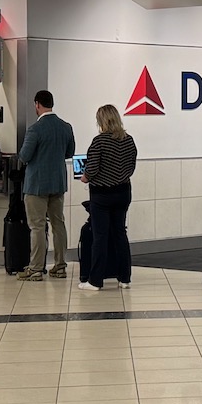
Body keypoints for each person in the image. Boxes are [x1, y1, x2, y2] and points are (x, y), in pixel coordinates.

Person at [78, 104, 138, 291]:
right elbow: (131, 166)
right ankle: (125, 277)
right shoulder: (129, 140)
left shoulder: (99, 141)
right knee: (120, 233)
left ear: (101, 120)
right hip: (123, 192)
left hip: (102, 197)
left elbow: (93, 167)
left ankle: (95, 280)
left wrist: (85, 177)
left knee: (100, 237)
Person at [18, 90, 75, 281]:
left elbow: (24, 156)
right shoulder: (66, 127)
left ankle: (35, 268)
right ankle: (60, 266)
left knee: (37, 227)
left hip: (36, 185)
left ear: (37, 104)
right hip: (58, 182)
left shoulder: (35, 129)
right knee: (58, 224)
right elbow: (69, 153)